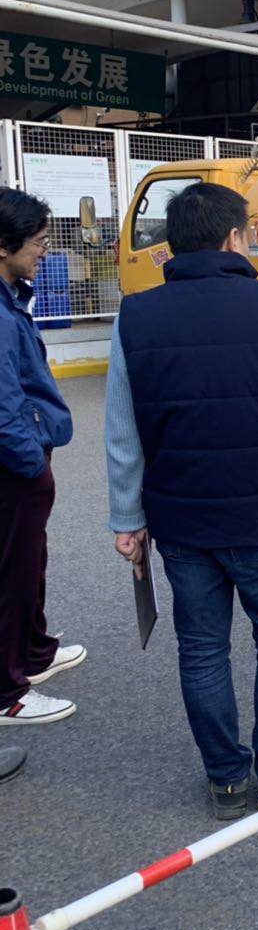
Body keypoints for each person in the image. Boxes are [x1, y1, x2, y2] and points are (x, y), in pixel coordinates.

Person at [106, 181, 258, 822]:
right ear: (234, 237)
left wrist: (127, 519)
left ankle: (228, 781)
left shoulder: (136, 314)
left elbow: (123, 432)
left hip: (181, 524)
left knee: (203, 648)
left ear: (173, 246)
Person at [0, 187, 84, 729]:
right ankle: (7, 692)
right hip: (13, 466)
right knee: (11, 571)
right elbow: (3, 406)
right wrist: (32, 462)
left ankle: (33, 653)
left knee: (29, 562)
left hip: (24, 460)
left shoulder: (11, 298)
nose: (44, 251)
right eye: (37, 242)